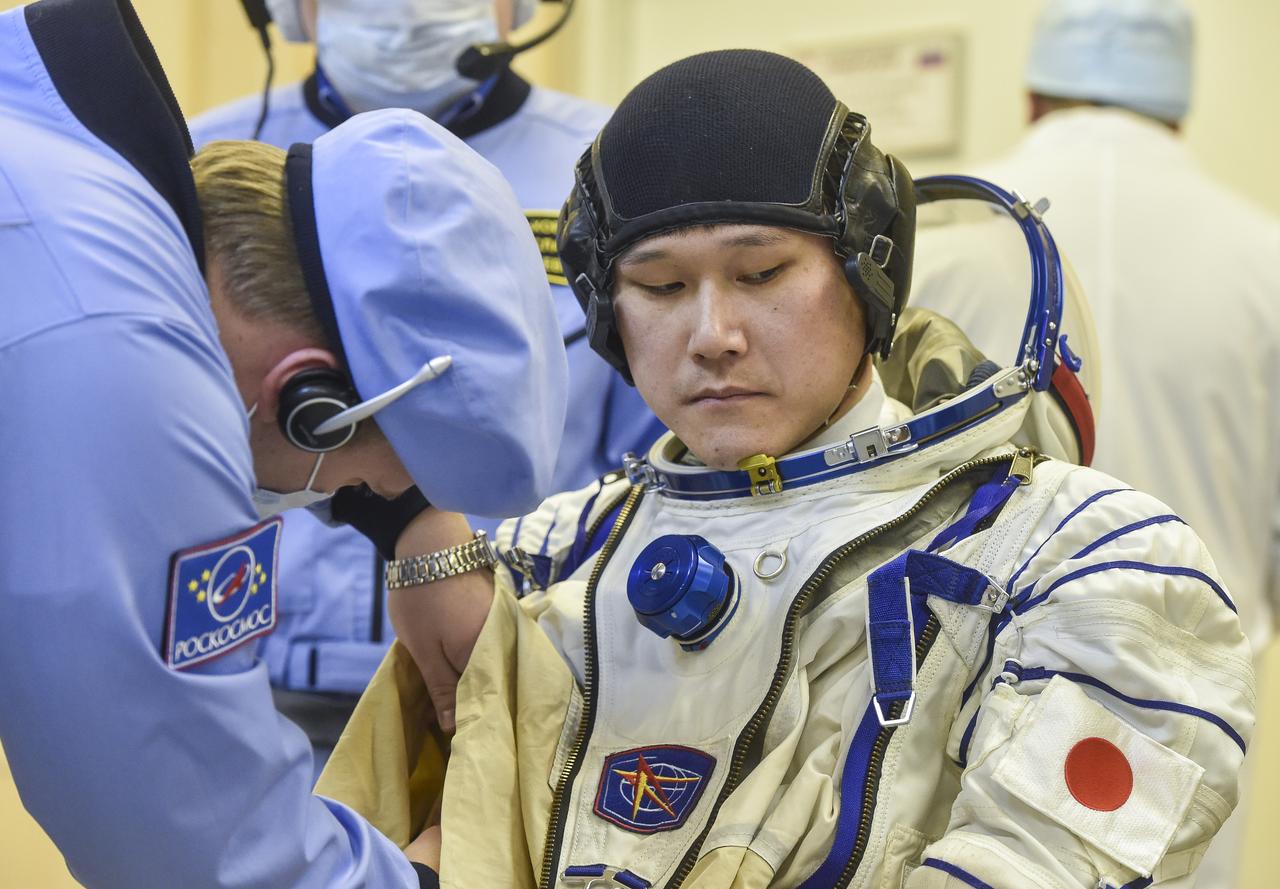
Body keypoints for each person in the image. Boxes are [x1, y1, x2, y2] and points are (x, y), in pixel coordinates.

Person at [316, 50, 1254, 888]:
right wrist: (415, 531)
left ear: (867, 273)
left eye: (762, 273)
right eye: (661, 286)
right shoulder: (547, 563)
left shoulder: (1078, 563)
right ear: (610, 314)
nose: (712, 335)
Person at [0, 0, 567, 885]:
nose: (333, 499)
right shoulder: (118, 345)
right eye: (360, 482)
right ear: (304, 397)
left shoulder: (70, 167)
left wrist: (412, 524)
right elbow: (181, 834)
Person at [190, 0, 665, 765]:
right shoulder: (197, 162)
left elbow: (664, 465)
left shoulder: (619, 167)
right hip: (248, 682)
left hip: (529, 680)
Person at [909, 3, 1280, 884]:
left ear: (1035, 89)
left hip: (950, 690)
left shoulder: (942, 237)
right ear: (1178, 101)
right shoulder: (1267, 258)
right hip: (1179, 710)